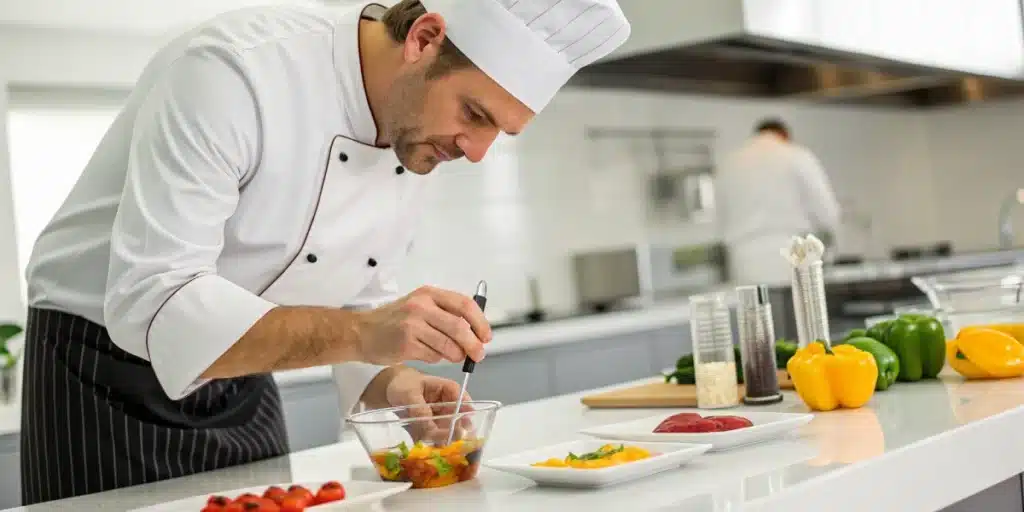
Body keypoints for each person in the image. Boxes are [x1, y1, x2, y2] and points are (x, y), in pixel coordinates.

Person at [18, 0, 630, 504]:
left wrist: (393, 381)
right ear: (423, 37)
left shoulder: (414, 133)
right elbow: (154, 298)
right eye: (474, 114)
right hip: (100, 374)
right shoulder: (233, 70)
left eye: (499, 130)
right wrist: (368, 333)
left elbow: (358, 298)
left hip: (246, 377)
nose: (475, 151)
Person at [715, 118, 841, 285]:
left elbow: (719, 215)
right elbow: (827, 211)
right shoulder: (796, 155)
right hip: (788, 250)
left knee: (753, 308)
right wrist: (830, 244)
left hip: (742, 256)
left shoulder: (729, 162)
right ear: (784, 135)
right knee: (791, 307)